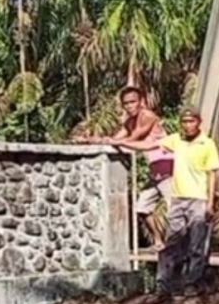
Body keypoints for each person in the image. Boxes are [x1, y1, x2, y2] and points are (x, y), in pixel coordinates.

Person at [121, 107, 219, 297]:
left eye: (191, 121)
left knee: (196, 244)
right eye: (184, 122)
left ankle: (192, 283)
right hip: (178, 199)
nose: (188, 125)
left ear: (199, 123)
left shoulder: (207, 144)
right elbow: (148, 146)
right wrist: (119, 142)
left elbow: (212, 174)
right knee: (172, 242)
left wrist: (210, 202)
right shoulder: (176, 140)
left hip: (198, 199)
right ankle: (164, 283)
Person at [74, 86, 173, 249]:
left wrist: (113, 141)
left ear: (141, 102)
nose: (129, 106)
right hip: (155, 172)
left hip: (169, 170)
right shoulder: (129, 122)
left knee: (174, 212)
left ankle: (177, 245)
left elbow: (132, 139)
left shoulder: (148, 116)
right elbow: (114, 140)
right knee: (142, 208)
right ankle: (158, 240)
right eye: (126, 103)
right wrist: (88, 140)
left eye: (133, 102)